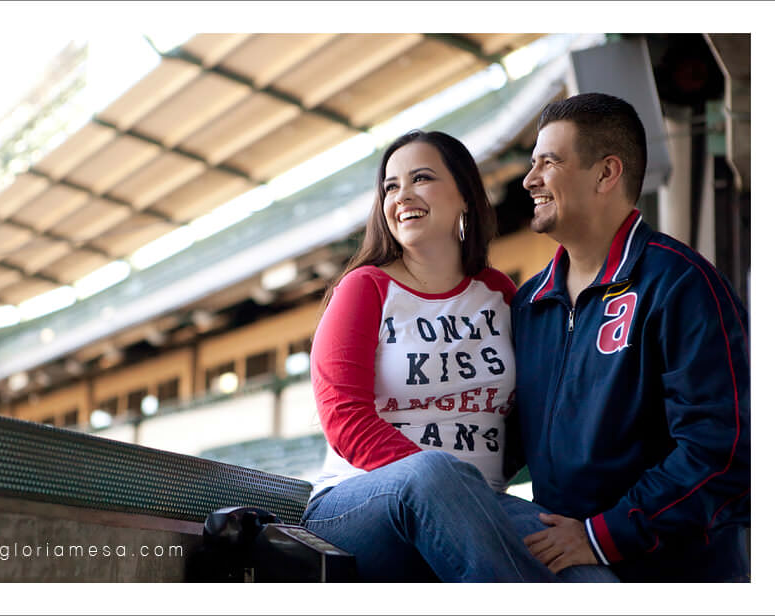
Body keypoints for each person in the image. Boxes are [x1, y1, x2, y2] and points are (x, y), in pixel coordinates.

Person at [300, 129, 588, 582]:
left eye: (421, 178)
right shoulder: (365, 288)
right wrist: (447, 482)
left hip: (484, 505)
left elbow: (525, 416)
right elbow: (343, 417)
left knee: (584, 572)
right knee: (434, 473)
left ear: (465, 196)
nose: (402, 195)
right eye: (390, 186)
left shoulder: (499, 293)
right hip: (359, 503)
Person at [504, 92, 751, 582]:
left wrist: (603, 535)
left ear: (605, 173)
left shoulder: (680, 283)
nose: (530, 180)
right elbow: (504, 441)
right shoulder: (528, 304)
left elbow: (723, 449)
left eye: (549, 162)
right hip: (566, 572)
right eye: (532, 164)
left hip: (676, 576)